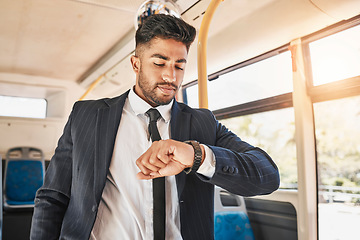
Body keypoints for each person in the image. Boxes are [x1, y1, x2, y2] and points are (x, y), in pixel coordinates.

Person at [30, 14, 280, 240]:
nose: (171, 76)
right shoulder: (86, 115)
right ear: (136, 64)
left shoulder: (203, 123)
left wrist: (196, 155)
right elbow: (53, 197)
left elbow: (267, 175)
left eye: (179, 66)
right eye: (159, 63)